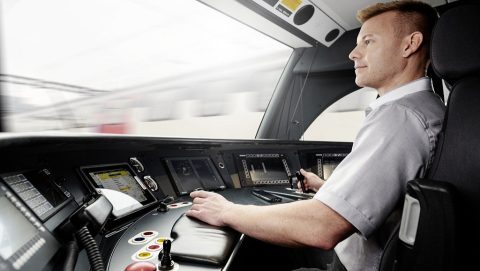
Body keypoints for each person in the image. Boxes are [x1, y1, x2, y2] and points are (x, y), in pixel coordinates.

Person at [185, 1, 445, 270]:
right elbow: (390, 196)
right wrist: (324, 187)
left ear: (410, 44)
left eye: (368, 41)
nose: (353, 54)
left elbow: (323, 227)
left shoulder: (400, 118)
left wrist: (227, 211)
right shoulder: (422, 108)